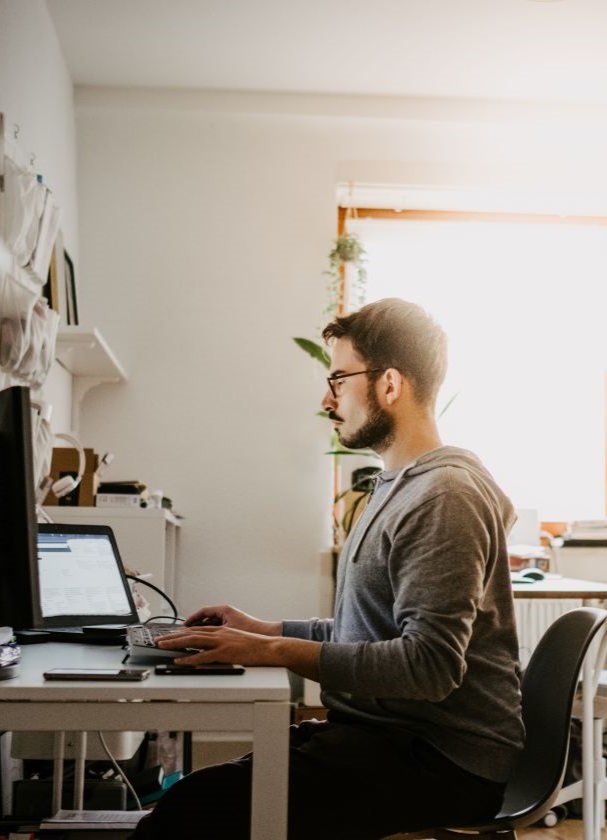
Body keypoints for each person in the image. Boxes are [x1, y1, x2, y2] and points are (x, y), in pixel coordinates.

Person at [130, 297, 524, 840]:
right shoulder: (395, 487)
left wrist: (268, 652)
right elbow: (370, 634)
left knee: (191, 815)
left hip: (441, 763)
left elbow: (428, 667)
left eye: (338, 379)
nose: (326, 398)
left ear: (390, 384)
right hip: (391, 739)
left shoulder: (443, 497)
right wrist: (262, 630)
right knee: (195, 800)